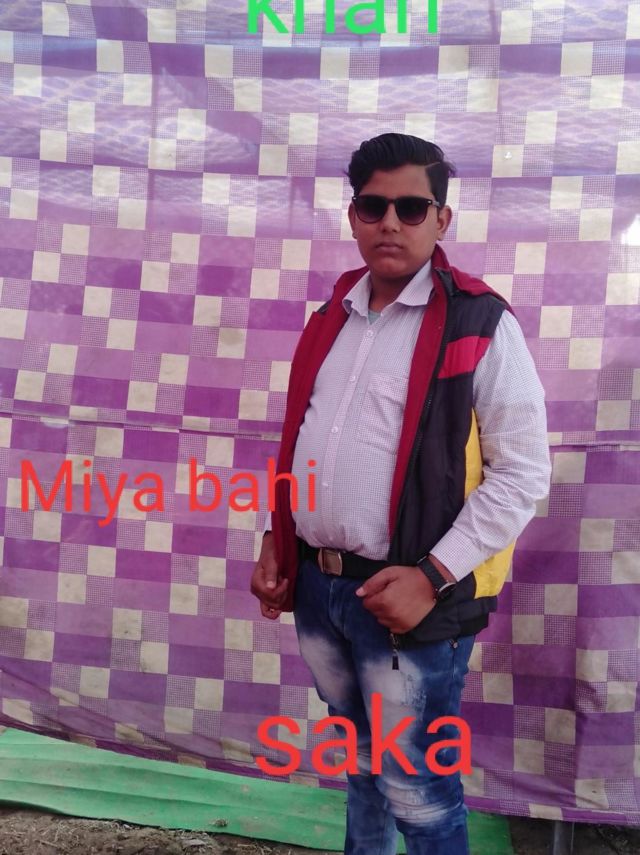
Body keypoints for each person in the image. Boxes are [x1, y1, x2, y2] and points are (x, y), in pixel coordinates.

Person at [250, 133, 551, 855]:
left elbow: (522, 473)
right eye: (373, 206)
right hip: (322, 592)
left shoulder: (480, 322)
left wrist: (431, 576)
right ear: (353, 215)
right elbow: (305, 440)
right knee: (361, 767)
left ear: (441, 219)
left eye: (411, 207)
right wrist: (277, 536)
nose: (390, 222)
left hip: (412, 602)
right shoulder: (333, 316)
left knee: (417, 791)